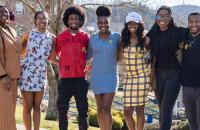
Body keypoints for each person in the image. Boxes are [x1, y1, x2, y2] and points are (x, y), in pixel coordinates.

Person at [147, 6, 188, 130]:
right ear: (156, 18)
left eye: (166, 15)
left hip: (174, 75)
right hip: (158, 75)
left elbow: (194, 30)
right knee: (161, 109)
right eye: (160, 15)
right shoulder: (152, 33)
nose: (162, 18)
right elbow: (141, 43)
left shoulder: (178, 32)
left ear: (170, 18)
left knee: (166, 108)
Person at [53, 5, 89, 130]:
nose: (73, 21)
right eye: (71, 19)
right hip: (65, 80)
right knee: (62, 111)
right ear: (67, 21)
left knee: (83, 112)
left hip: (80, 79)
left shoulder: (85, 37)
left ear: (80, 20)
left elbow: (90, 56)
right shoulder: (61, 37)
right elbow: (53, 56)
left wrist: (87, 67)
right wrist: (62, 64)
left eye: (76, 19)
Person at [19, 11, 55, 130]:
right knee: (27, 106)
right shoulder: (27, 35)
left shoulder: (52, 38)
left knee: (37, 107)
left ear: (48, 21)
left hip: (41, 75)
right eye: (39, 18)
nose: (42, 20)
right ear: (35, 21)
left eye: (45, 18)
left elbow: (54, 58)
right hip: (27, 74)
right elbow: (20, 53)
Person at [87, 5, 120, 130]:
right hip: (96, 77)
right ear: (97, 24)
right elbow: (87, 57)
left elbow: (121, 54)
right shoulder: (92, 39)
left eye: (105, 22)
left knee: (106, 108)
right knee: (100, 109)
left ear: (109, 22)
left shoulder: (117, 37)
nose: (103, 24)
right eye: (100, 22)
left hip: (111, 76)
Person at [119, 12, 150, 130]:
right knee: (127, 111)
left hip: (142, 76)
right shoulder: (123, 39)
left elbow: (151, 58)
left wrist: (152, 78)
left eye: (135, 23)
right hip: (128, 77)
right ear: (126, 25)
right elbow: (119, 57)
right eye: (129, 23)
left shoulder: (145, 39)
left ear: (139, 24)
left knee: (140, 109)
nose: (132, 25)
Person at [0, 5, 20, 130]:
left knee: (11, 111)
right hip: (3, 78)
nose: (4, 14)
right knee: (5, 112)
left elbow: (17, 51)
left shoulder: (12, 30)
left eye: (6, 12)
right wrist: (2, 75)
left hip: (14, 76)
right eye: (1, 12)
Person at [181, 12, 200, 130]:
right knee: (192, 120)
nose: (194, 24)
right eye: (191, 22)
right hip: (187, 86)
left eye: (197, 21)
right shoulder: (185, 37)